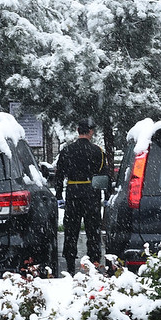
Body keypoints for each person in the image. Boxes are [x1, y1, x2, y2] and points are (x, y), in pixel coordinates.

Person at [54, 117, 105, 274]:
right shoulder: (97, 151)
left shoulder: (67, 151)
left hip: (73, 193)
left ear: (78, 131)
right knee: (93, 231)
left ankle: (70, 265)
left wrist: (59, 195)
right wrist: (106, 194)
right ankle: (94, 263)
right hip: (92, 194)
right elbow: (104, 175)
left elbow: (59, 175)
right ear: (91, 132)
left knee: (71, 231)